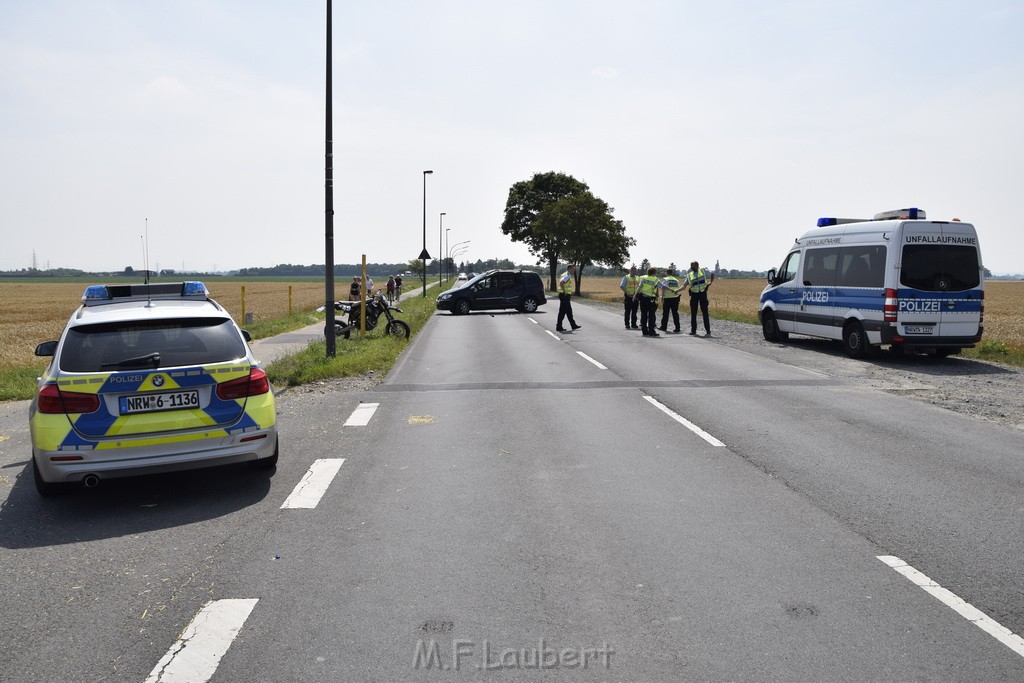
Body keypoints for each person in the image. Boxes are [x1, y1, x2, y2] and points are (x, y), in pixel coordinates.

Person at [684, 260, 714, 336]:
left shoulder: (702, 271)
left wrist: (711, 282)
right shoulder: (689, 275)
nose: (691, 267)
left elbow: (711, 275)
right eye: (691, 265)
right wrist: (677, 290)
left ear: (697, 265)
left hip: (703, 294)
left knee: (705, 313)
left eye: (692, 265)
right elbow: (685, 284)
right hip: (694, 295)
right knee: (693, 313)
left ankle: (708, 330)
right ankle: (693, 331)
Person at [635, 267, 661, 337]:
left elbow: (639, 287)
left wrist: (635, 296)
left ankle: (645, 331)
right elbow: (662, 286)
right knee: (651, 315)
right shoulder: (655, 279)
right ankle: (651, 331)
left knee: (644, 315)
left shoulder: (644, 278)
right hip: (651, 299)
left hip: (643, 298)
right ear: (654, 272)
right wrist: (671, 290)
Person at [555, 264, 582, 332]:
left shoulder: (565, 274)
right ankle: (559, 326)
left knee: (569, 311)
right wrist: (565, 292)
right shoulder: (567, 275)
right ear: (569, 268)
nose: (574, 270)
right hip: (564, 295)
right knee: (562, 312)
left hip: (564, 295)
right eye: (573, 269)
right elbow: (561, 282)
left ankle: (573, 325)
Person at [659, 268, 682, 333]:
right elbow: (678, 289)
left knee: (665, 313)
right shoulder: (676, 280)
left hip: (667, 298)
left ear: (666, 273)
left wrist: (662, 296)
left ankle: (663, 327)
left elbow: (663, 287)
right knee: (675, 313)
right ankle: (677, 328)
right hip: (675, 298)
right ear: (672, 273)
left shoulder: (665, 279)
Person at [619, 265, 640, 330]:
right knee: (628, 311)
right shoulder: (626, 277)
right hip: (628, 296)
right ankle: (627, 324)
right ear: (630, 271)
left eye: (635, 271)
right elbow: (622, 286)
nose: (634, 272)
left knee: (634, 311)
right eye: (633, 271)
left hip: (635, 296)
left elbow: (640, 286)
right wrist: (627, 293)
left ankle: (634, 324)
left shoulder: (638, 278)